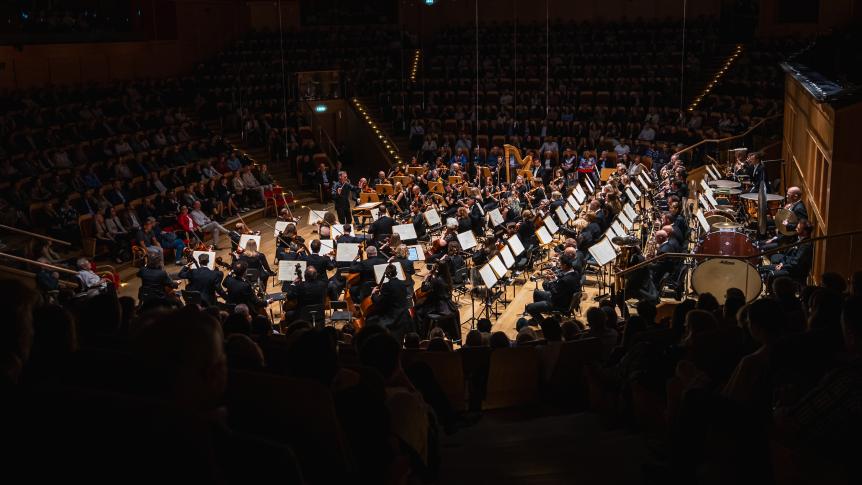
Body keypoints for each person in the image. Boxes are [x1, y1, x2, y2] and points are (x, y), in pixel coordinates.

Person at [525, 254, 581, 321]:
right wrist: (555, 278)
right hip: (565, 298)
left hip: (559, 304)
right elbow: (562, 285)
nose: (559, 265)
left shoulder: (565, 280)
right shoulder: (575, 273)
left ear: (565, 265)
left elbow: (554, 293)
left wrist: (550, 281)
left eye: (560, 263)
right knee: (536, 293)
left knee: (529, 307)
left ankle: (544, 324)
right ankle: (535, 319)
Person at [366, 264, 413, 343]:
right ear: (396, 272)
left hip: (392, 317)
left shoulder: (387, 286)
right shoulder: (403, 284)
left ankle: (376, 341)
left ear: (387, 275)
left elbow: (380, 302)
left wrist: (373, 294)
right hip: (404, 315)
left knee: (370, 318)